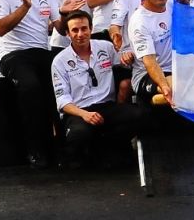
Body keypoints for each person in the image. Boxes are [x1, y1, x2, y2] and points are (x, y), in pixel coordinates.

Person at [0, 0, 78, 168]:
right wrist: (24, 7)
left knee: (59, 92)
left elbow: (58, 27)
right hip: (13, 54)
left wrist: (65, 14)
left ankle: (62, 150)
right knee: (31, 88)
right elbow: (0, 28)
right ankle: (34, 151)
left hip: (42, 51)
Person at [51, 10, 144, 168]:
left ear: (91, 29)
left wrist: (128, 56)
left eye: (84, 28)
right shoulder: (59, 61)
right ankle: (80, 154)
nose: (80, 34)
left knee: (141, 115)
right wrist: (85, 114)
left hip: (106, 106)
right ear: (67, 33)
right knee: (79, 134)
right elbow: (62, 101)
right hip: (79, 111)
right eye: (75, 30)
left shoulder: (106, 47)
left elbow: (125, 61)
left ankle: (108, 146)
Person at [108, 0, 167, 103]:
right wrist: (118, 41)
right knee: (125, 85)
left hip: (168, 64)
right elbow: (115, 25)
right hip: (135, 57)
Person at [129, 0, 176, 108]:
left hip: (175, 68)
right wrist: (164, 86)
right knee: (177, 87)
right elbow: (150, 62)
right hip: (147, 75)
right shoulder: (140, 22)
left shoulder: (170, 2)